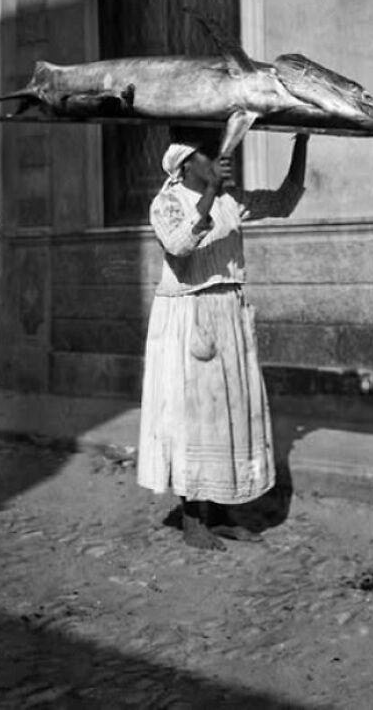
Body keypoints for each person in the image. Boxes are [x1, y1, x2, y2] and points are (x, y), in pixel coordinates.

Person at [137, 133, 309, 550]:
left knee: (230, 418)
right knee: (193, 421)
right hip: (189, 317)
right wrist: (212, 191)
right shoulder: (167, 203)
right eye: (207, 156)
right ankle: (194, 520)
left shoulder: (232, 201)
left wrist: (301, 142)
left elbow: (284, 202)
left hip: (228, 314)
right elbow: (178, 248)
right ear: (185, 166)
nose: (218, 158)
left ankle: (224, 513)